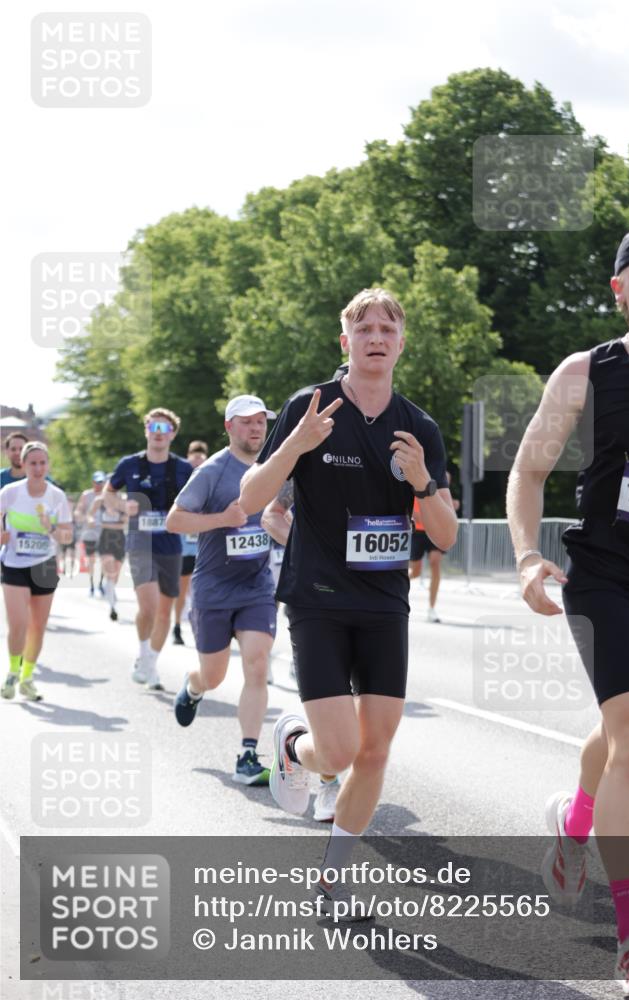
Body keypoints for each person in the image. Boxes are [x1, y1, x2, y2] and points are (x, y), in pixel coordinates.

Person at [240, 288, 457, 911]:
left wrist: (423, 482)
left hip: (385, 602)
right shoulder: (310, 407)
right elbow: (251, 499)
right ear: (346, 341)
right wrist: (296, 443)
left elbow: (445, 535)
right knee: (337, 750)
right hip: (319, 599)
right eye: (364, 329)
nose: (376, 337)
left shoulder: (419, 427)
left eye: (388, 328)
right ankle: (294, 747)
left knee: (375, 749)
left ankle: (333, 878)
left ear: (402, 343)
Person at [506, 226, 629, 996]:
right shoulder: (585, 373)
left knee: (624, 728)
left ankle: (573, 821)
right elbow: (527, 472)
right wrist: (525, 556)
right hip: (604, 579)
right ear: (618, 288)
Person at [166, 396, 278, 785]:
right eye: (246, 421)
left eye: (261, 421)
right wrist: (221, 519)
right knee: (213, 676)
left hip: (257, 586)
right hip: (214, 589)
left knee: (257, 663)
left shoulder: (276, 468)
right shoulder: (212, 471)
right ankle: (194, 685)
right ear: (230, 427)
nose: (256, 428)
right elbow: (174, 520)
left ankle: (248, 755)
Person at [261, 479, 340, 822]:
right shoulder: (307, 462)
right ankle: (329, 780)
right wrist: (317, 548)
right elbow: (271, 515)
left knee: (365, 720)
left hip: (376, 595)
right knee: (336, 699)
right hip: (316, 590)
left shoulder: (388, 453)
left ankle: (298, 746)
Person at [105, 408, 192, 690]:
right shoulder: (129, 464)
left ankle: (150, 663)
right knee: (149, 606)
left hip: (171, 543)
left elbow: (198, 498)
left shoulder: (183, 468)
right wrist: (121, 505)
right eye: (153, 427)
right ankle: (143, 653)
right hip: (140, 543)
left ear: (173, 434)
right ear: (146, 431)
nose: (158, 433)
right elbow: (108, 493)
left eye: (164, 429)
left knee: (165, 612)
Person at [1, 442, 72, 701]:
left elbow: (67, 536)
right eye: (33, 463)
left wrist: (50, 528)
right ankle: (12, 672)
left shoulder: (56, 496)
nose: (38, 468)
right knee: (18, 624)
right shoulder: (10, 492)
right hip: (14, 564)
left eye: (43, 463)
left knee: (37, 627)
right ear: (23, 464)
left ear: (48, 465)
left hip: (45, 565)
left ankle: (27, 678)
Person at [409, 470, 459, 622]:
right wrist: (413, 513)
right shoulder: (417, 471)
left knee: (435, 561)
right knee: (415, 571)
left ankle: (431, 608)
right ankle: (396, 586)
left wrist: (452, 506)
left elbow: (444, 498)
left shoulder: (441, 473)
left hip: (434, 529)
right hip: (418, 530)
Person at [172, 440, 209, 645]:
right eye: (194, 461)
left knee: (200, 588)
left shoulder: (211, 475)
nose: (197, 465)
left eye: (201, 461)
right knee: (183, 586)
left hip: (206, 543)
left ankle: (198, 625)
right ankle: (177, 626)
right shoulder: (181, 479)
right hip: (185, 543)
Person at [92, 476, 128, 621]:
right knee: (110, 571)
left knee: (115, 575)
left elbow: (127, 520)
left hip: (119, 538)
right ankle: (112, 607)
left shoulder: (124, 500)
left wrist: (119, 518)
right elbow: (89, 516)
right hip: (105, 537)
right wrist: (93, 521)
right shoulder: (99, 501)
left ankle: (110, 591)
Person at [74, 471, 106, 596]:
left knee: (104, 559)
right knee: (91, 559)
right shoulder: (86, 495)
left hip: (105, 532)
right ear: (93, 482)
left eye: (101, 482)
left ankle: (101, 584)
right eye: (97, 482)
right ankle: (92, 585)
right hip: (89, 532)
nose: (99, 485)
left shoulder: (108, 495)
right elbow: (78, 511)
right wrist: (85, 519)